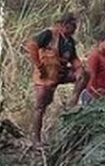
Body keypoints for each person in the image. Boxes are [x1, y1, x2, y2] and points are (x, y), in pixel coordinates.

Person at [24, 12, 88, 146]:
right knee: (40, 106)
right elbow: (31, 45)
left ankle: (73, 103)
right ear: (64, 25)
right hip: (46, 77)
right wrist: (38, 65)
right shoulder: (48, 34)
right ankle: (36, 138)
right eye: (73, 26)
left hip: (61, 73)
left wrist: (79, 67)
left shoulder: (69, 41)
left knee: (84, 74)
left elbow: (73, 58)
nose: (75, 29)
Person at [81, 31, 105, 104]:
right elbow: (91, 76)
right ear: (100, 42)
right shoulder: (94, 56)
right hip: (96, 93)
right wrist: (95, 92)